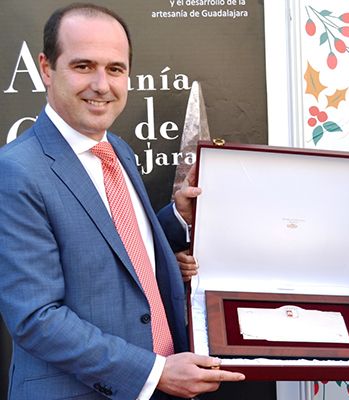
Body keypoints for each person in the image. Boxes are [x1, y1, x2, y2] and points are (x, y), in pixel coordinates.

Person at [0, 3, 245, 399]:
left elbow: (120, 249)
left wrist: (176, 218)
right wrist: (154, 372)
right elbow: (36, 318)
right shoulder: (16, 171)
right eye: (83, 66)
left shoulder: (117, 150)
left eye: (115, 69)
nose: (102, 85)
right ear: (46, 68)